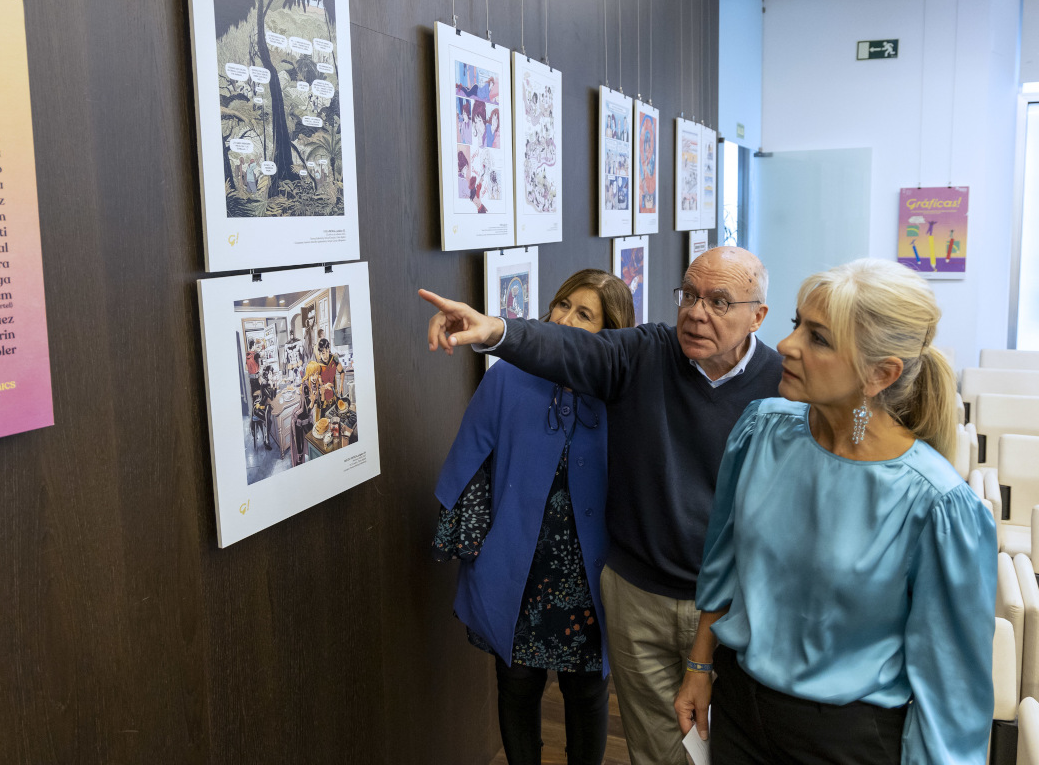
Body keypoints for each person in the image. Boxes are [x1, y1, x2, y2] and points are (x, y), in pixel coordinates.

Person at [422, 247, 783, 765]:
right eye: (690, 296)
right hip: (627, 589)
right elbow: (476, 454)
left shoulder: (780, 388)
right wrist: (496, 329)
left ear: (757, 315)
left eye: (719, 301)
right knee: (645, 741)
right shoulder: (644, 354)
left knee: (722, 737)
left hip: (716, 598)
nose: (697, 312)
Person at [674, 258, 996, 764]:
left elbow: (950, 690)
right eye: (796, 324)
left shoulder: (936, 503)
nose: (786, 345)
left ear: (880, 374)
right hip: (739, 711)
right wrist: (698, 665)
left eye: (818, 338)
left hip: (846, 739)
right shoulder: (762, 429)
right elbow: (723, 562)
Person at [433, 269, 635, 765]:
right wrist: (467, 544)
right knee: (516, 683)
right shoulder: (507, 376)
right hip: (516, 564)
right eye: (563, 304)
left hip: (591, 572)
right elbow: (471, 461)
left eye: (584, 314)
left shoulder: (624, 391)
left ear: (611, 333)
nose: (564, 318)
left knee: (586, 690)